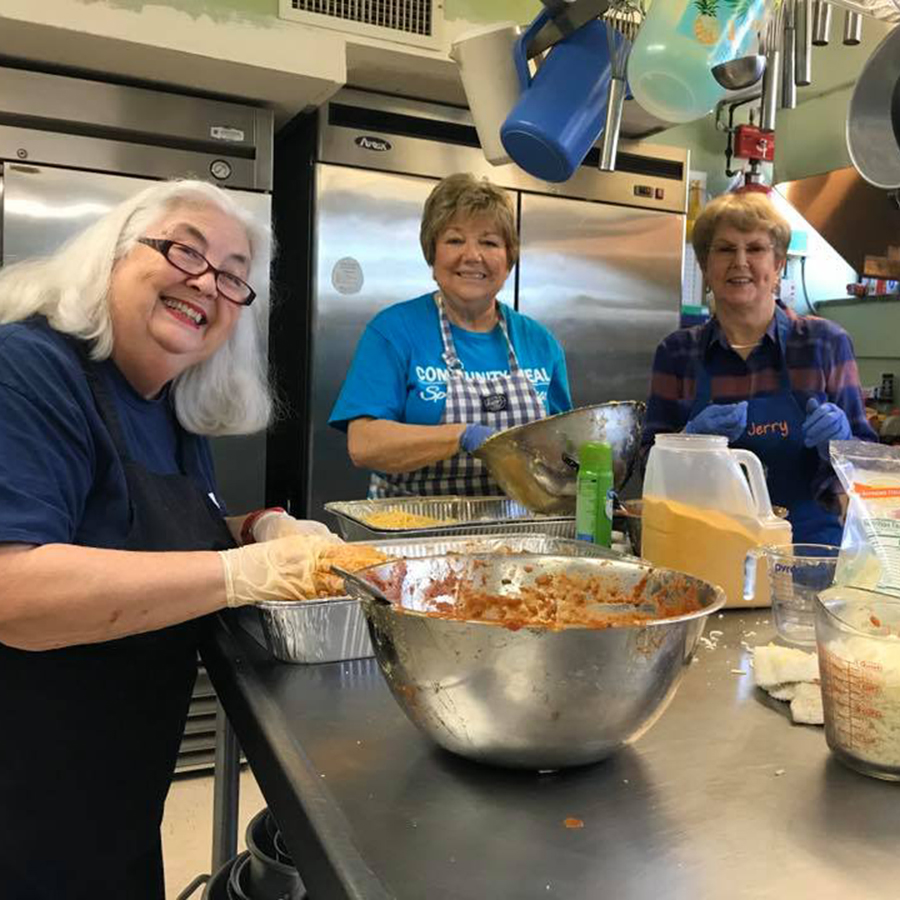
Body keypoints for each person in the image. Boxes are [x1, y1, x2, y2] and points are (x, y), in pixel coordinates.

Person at [0, 180, 342, 899]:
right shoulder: (28, 369)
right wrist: (243, 572)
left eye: (232, 275)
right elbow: (15, 590)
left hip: (110, 783)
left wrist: (253, 527)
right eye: (186, 250)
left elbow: (133, 525)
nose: (206, 283)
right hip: (24, 791)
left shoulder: (168, 402)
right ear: (112, 257)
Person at [641, 190, 877, 545]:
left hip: (810, 551)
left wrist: (843, 445)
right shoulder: (677, 353)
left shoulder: (823, 343)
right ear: (706, 267)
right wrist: (686, 442)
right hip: (704, 548)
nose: (740, 261)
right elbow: (647, 468)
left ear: (778, 263)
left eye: (755, 249)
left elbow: (871, 471)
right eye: (724, 249)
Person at [329, 172, 573, 497]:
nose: (472, 256)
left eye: (489, 242)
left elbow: (564, 448)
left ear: (509, 259)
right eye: (455, 240)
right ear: (432, 254)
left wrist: (586, 483)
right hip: (412, 533)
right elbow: (364, 444)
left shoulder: (540, 342)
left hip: (517, 536)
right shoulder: (394, 331)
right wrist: (460, 436)